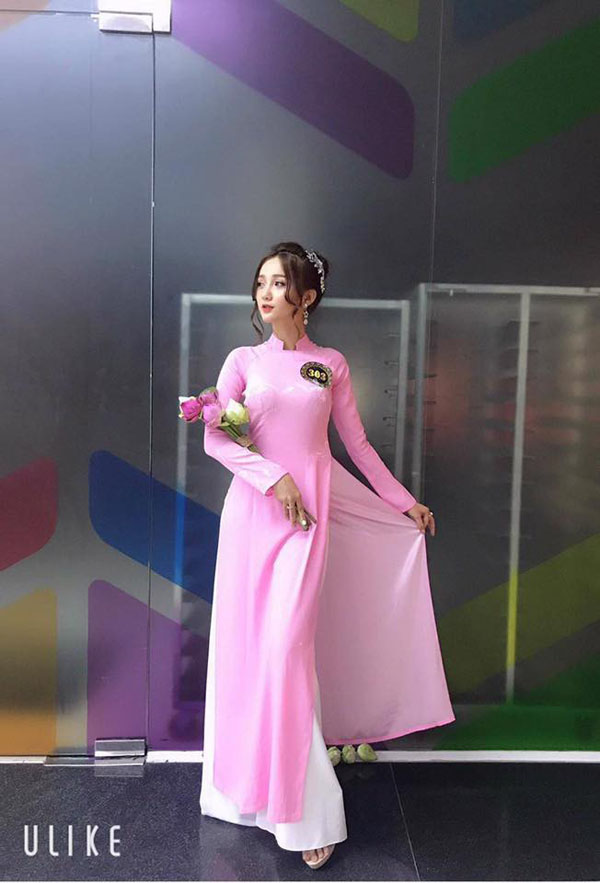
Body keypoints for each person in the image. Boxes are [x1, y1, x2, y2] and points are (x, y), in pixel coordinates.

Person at [199, 242, 455, 870]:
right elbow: (217, 438)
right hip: (253, 516)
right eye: (261, 282)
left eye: (279, 283)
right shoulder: (242, 361)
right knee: (250, 651)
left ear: (307, 297)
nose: (265, 293)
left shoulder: (329, 365)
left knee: (288, 649)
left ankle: (305, 810)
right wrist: (273, 477)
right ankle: (250, 792)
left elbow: (357, 447)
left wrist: (404, 503)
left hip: (306, 520)